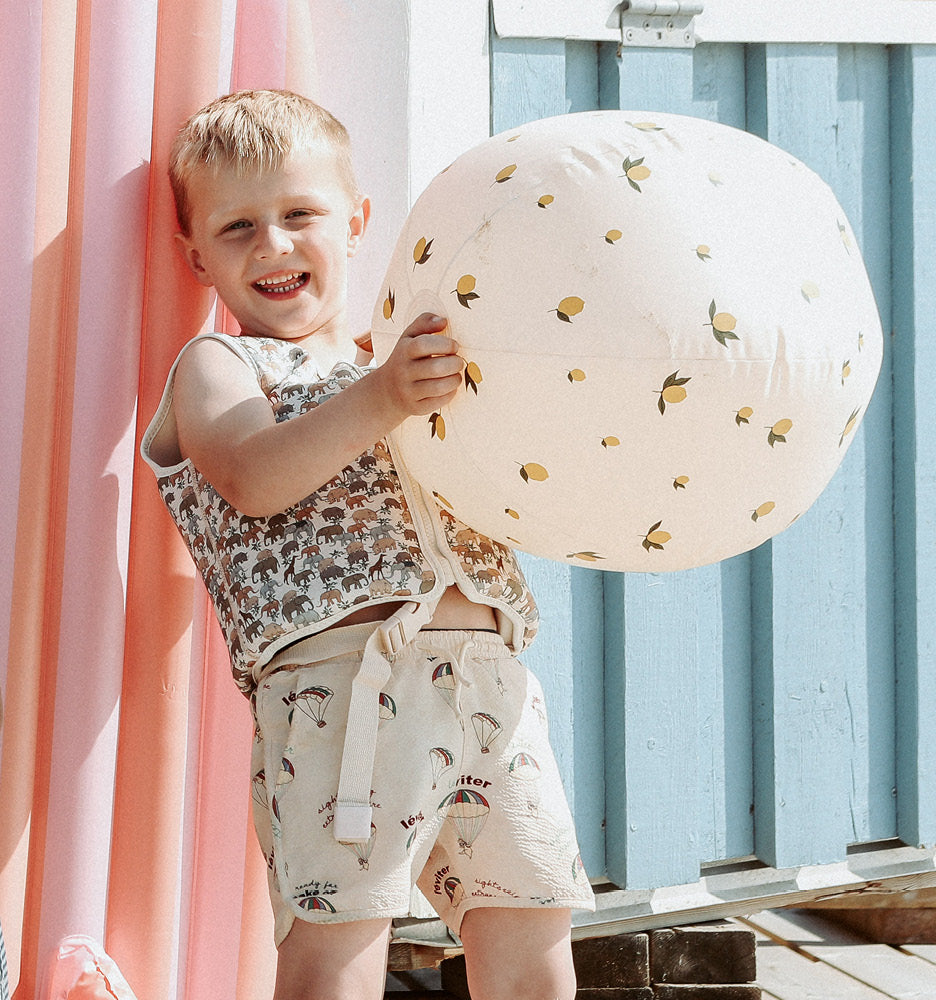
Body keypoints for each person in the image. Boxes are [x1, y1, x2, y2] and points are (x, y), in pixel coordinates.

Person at [141, 89, 594, 1000]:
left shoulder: (398, 355)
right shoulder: (221, 365)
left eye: (299, 215)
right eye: (238, 229)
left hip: (491, 683)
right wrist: (385, 396)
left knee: (534, 937)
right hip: (339, 692)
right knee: (335, 949)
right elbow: (253, 475)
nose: (272, 245)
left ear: (356, 222)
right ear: (197, 258)